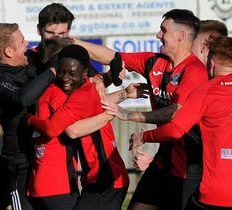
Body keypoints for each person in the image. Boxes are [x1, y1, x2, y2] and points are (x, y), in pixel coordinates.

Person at [75, 9, 207, 210]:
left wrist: (129, 115)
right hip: (164, 161)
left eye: (163, 30)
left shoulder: (194, 71)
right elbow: (112, 57)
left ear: (181, 36)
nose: (158, 35)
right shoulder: (154, 62)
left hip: (189, 166)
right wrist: (73, 42)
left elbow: (174, 112)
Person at [130, 35, 232, 210]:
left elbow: (175, 129)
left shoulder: (206, 91)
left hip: (217, 193)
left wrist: (144, 136)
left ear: (212, 62)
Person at [27, 44, 131, 210]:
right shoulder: (77, 91)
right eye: (62, 71)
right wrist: (124, 94)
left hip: (106, 178)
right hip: (94, 179)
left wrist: (30, 120)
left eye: (71, 73)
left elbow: (71, 130)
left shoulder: (79, 92)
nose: (65, 78)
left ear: (84, 74)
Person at [133, 19, 228, 171]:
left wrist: (136, 123)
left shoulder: (215, 91)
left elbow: (177, 127)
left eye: (192, 43)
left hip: (199, 175)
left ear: (206, 48)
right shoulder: (195, 78)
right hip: (175, 168)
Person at [0, 23, 55, 210]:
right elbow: (22, 98)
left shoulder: (30, 61)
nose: (27, 43)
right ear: (9, 51)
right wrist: (52, 72)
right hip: (18, 161)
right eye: (22, 41)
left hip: (40, 155)